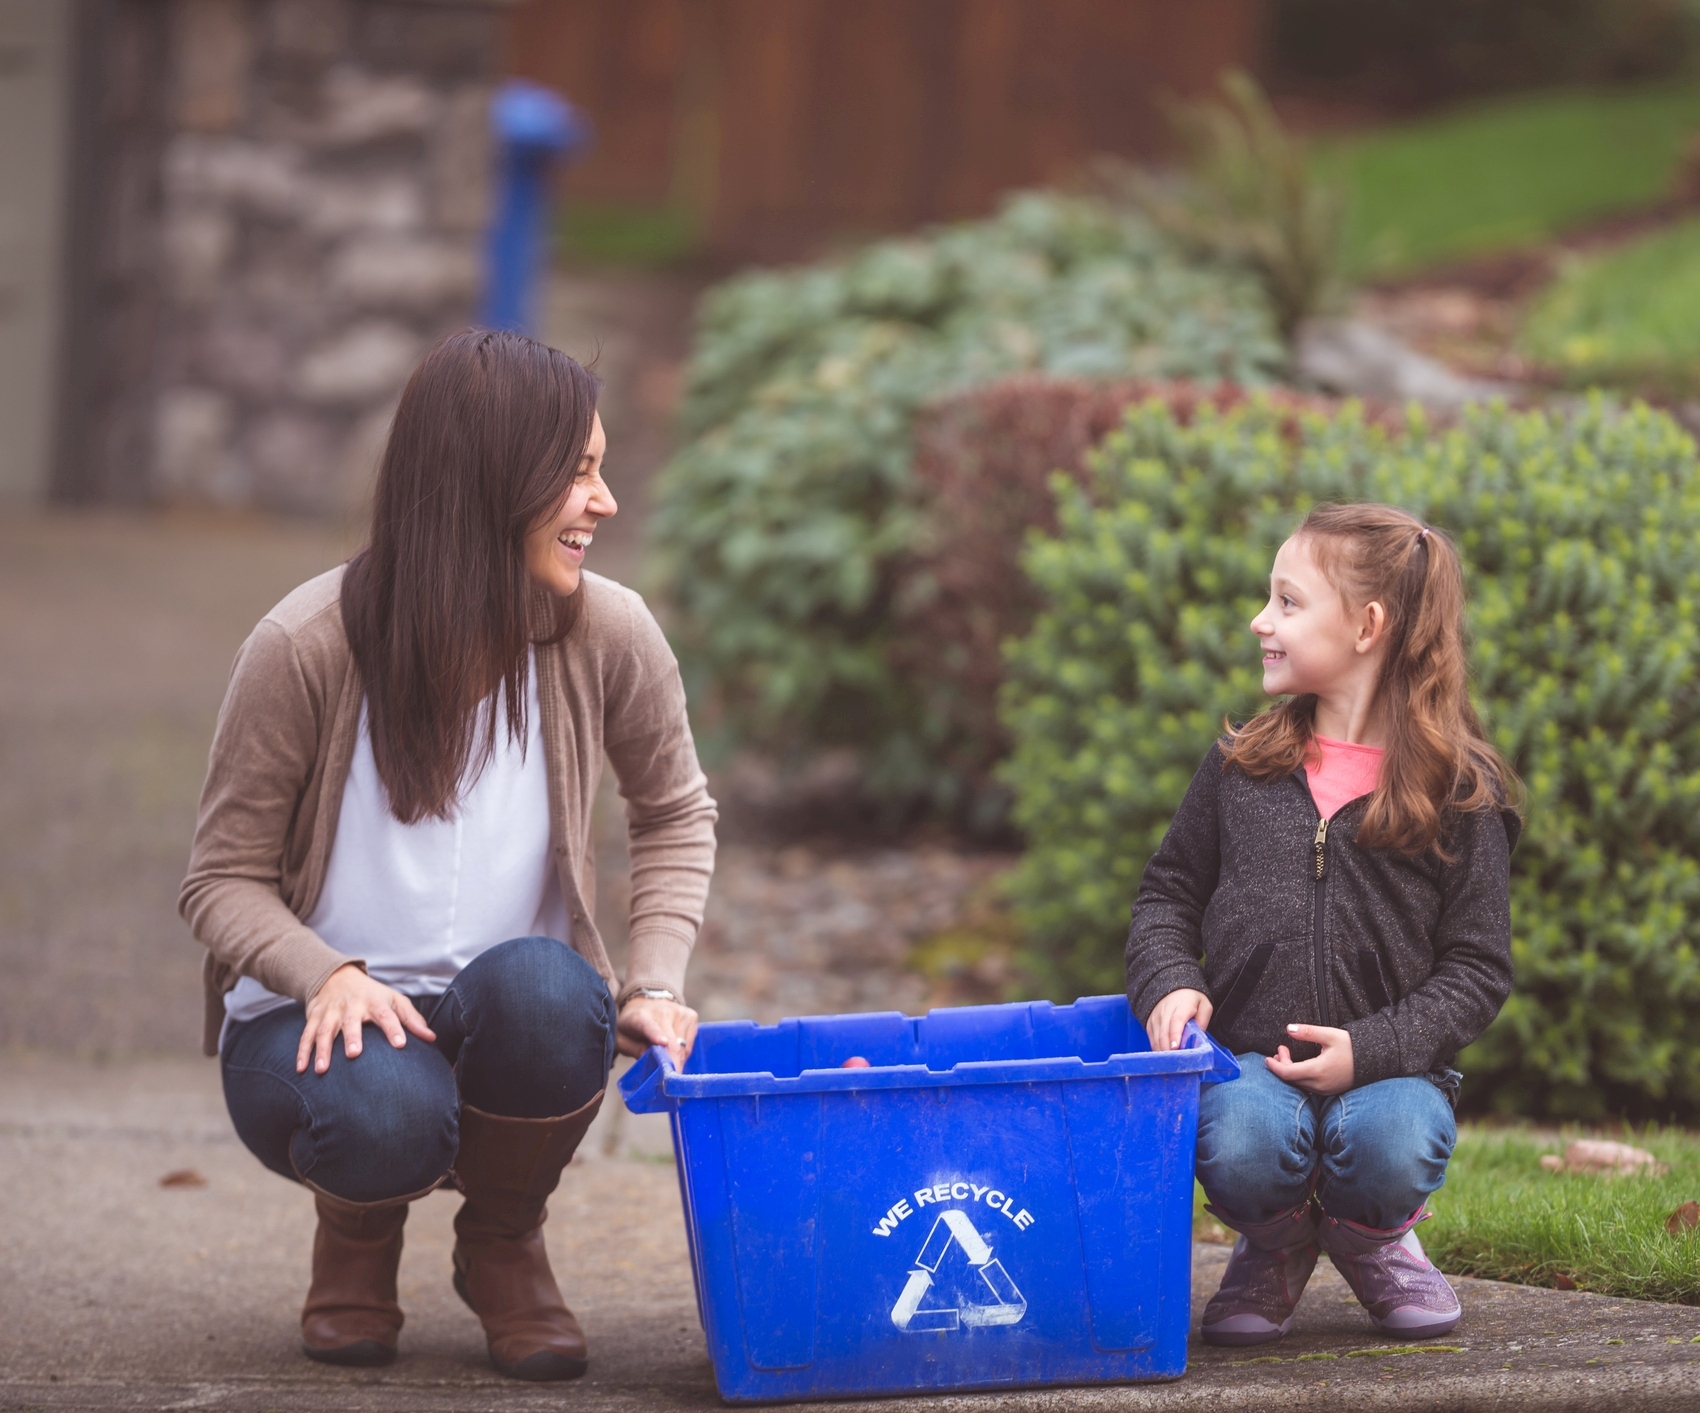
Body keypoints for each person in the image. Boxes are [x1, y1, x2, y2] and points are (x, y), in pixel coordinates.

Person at [179, 330, 717, 1380]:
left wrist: (652, 981)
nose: (603, 502)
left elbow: (674, 813)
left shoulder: (607, 632)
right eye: (578, 471)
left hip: (504, 1016)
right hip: (309, 1033)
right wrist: (322, 973)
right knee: (387, 1105)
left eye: (601, 468)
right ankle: (358, 1234)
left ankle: (503, 1241)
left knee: (557, 994)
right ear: (487, 482)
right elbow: (219, 877)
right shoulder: (305, 646)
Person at [1125, 502, 1518, 1348]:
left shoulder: (1459, 791)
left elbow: (1478, 967)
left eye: (1288, 602)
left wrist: (1370, 1051)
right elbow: (1166, 895)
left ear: (1369, 625)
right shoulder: (1241, 766)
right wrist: (1172, 980)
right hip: (1250, 1063)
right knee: (1238, 1141)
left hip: (1392, 1070)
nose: (1260, 620)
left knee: (1389, 1144)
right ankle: (1275, 1242)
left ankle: (1368, 1239)